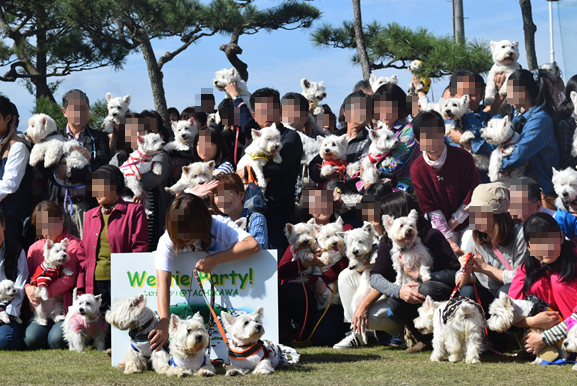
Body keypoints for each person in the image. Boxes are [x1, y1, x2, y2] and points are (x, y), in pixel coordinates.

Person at [149, 194, 261, 351]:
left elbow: (253, 245)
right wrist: (164, 320)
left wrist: (216, 259)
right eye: (178, 231)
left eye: (188, 229)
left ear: (201, 222)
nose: (182, 236)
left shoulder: (220, 225)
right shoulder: (167, 239)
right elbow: (163, 281)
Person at [360, 191, 460, 352]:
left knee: (427, 288)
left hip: (441, 293)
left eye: (385, 213)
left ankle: (449, 337)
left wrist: (422, 277)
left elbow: (454, 274)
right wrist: (399, 291)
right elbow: (376, 277)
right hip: (411, 295)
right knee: (394, 301)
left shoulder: (432, 236)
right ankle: (424, 338)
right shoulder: (389, 242)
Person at [279, 187, 352, 346]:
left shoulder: (344, 229)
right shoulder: (302, 232)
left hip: (335, 295)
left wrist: (324, 279)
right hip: (310, 296)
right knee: (289, 290)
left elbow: (349, 260)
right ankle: (304, 327)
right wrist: (306, 263)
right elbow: (282, 270)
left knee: (322, 338)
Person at [234, 87, 303, 254]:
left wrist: (246, 172)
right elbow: (240, 174)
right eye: (260, 111)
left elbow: (276, 169)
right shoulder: (252, 142)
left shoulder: (290, 137)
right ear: (255, 116)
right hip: (251, 210)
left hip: (279, 211)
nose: (266, 115)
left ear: (279, 111)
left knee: (273, 260)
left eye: (271, 109)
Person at [76, 165, 148, 319]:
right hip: (94, 282)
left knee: (120, 325)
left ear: (114, 186)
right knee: (99, 330)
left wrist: (128, 278)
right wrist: (82, 285)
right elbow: (83, 254)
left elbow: (139, 248)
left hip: (122, 280)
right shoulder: (89, 215)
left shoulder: (135, 211)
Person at [36, 89, 110, 238]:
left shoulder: (99, 138)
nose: (80, 112)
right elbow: (41, 167)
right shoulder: (54, 137)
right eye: (75, 108)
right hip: (57, 207)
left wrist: (69, 171)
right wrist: (56, 170)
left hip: (88, 205)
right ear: (64, 112)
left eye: (84, 108)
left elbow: (102, 170)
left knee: (88, 251)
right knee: (59, 253)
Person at [410, 110, 480, 257]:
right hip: (442, 224)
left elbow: (472, 195)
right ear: (417, 139)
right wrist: (449, 238)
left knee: (469, 251)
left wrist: (453, 223)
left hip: (470, 219)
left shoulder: (464, 158)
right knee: (447, 254)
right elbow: (431, 208)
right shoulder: (417, 169)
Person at [508, 213, 577, 355]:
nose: (546, 248)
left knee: (559, 282)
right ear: (528, 247)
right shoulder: (526, 268)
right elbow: (509, 310)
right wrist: (532, 322)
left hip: (568, 330)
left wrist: (544, 338)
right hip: (549, 333)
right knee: (536, 284)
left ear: (560, 237)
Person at [458, 183, 527, 317]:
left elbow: (522, 278)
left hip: (515, 299)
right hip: (487, 297)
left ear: (497, 214)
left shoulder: (520, 235)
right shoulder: (474, 239)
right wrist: (466, 270)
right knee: (467, 292)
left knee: (505, 291)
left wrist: (484, 268)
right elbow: (460, 280)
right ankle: (485, 337)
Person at [23, 201, 79, 350]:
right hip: (40, 309)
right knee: (31, 339)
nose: (46, 229)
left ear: (61, 219)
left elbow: (69, 278)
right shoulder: (34, 248)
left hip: (62, 306)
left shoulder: (73, 245)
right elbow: (27, 277)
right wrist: (28, 289)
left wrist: (44, 291)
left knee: (57, 340)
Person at [109, 113, 170, 251]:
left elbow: (154, 179)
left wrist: (127, 180)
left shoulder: (159, 155)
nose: (138, 133)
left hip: (154, 218)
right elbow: (108, 184)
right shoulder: (117, 159)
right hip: (125, 219)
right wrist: (134, 185)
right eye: (132, 130)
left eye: (142, 129)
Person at [501, 69, 560, 209]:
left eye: (510, 92)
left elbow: (518, 155)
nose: (508, 98)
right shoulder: (524, 117)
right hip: (530, 193)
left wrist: (496, 163)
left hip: (540, 195)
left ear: (522, 92)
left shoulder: (539, 120)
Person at [445, 70, 497, 182]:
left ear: (481, 95)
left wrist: (469, 143)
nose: (467, 99)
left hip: (485, 185)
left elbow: (501, 149)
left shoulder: (493, 120)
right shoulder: (445, 125)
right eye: (463, 95)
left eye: (473, 94)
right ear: (452, 95)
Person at [368, 83, 420, 194]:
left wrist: (372, 166)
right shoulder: (380, 132)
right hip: (384, 194)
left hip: (405, 196)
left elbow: (395, 166)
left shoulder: (408, 131)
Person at [0, 94, 32, 241]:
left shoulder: (18, 146)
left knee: (9, 262)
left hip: (9, 220)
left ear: (8, 119)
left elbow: (10, 185)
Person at [210, 173, 268, 250]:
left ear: (241, 195)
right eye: (217, 194)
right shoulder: (217, 223)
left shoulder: (254, 219)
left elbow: (258, 249)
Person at [0, 208, 28, 350]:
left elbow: (20, 286)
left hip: (9, 308)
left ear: (3, 225)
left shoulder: (17, 250)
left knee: (6, 340)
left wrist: (6, 312)